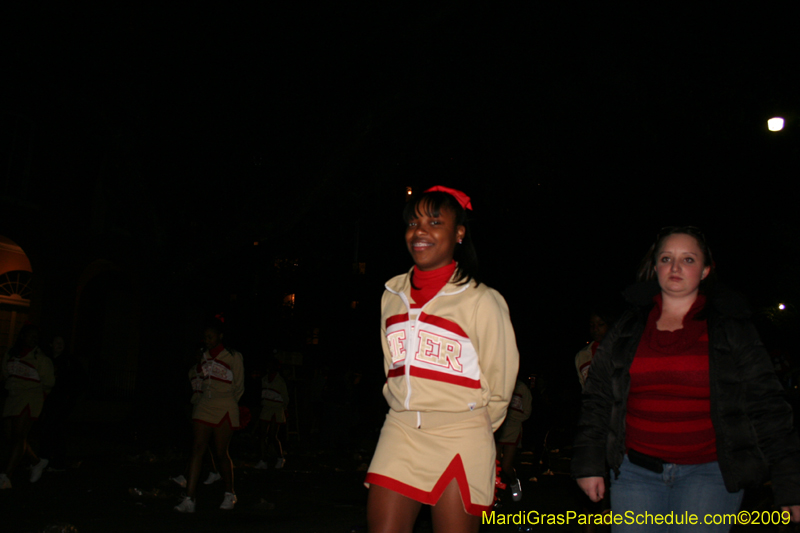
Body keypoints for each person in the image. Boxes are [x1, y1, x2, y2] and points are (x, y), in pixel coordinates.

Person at [572, 226, 800, 532]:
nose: (676, 267)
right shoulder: (628, 327)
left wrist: (790, 482)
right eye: (666, 258)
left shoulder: (731, 329)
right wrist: (588, 464)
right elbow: (598, 399)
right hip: (635, 474)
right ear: (655, 268)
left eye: (688, 259)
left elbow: (768, 406)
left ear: (705, 270)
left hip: (711, 475)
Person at [365, 186, 519, 533]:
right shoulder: (391, 296)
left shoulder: (483, 301)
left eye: (434, 222)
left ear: (459, 233)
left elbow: (501, 384)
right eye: (413, 222)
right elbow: (392, 367)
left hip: (460, 436)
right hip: (401, 429)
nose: (419, 231)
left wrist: (472, 425)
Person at [174, 318, 244, 513]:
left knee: (221, 453)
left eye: (211, 337)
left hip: (224, 404)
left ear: (220, 336)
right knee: (198, 448)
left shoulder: (233, 356)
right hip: (205, 404)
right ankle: (189, 498)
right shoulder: (204, 356)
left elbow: (239, 386)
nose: (207, 340)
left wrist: (229, 401)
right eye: (205, 337)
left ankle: (230, 493)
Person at [0, 324, 55, 489]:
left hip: (31, 397)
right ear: (23, 336)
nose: (33, 339)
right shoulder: (11, 353)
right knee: (12, 436)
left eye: (36, 337)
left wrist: (39, 394)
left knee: (19, 435)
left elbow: (49, 382)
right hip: (13, 396)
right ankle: (37, 462)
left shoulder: (40, 358)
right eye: (30, 335)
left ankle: (6, 476)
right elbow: (4, 373)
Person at [495, 376, 533, 502]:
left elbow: (526, 413)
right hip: (498, 428)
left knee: (506, 466)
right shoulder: (500, 384)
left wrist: (511, 415)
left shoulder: (522, 389)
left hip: (513, 430)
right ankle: (496, 493)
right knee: (494, 464)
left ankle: (513, 482)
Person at [255, 355, 289, 470]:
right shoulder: (264, 379)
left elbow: (285, 398)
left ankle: (280, 457)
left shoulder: (280, 381)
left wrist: (284, 410)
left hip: (276, 409)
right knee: (261, 435)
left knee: (272, 436)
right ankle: (263, 460)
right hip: (266, 408)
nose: (268, 367)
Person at [575, 311, 615, 390]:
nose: (595, 329)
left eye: (600, 324)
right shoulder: (582, 356)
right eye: (591, 325)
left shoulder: (622, 350)